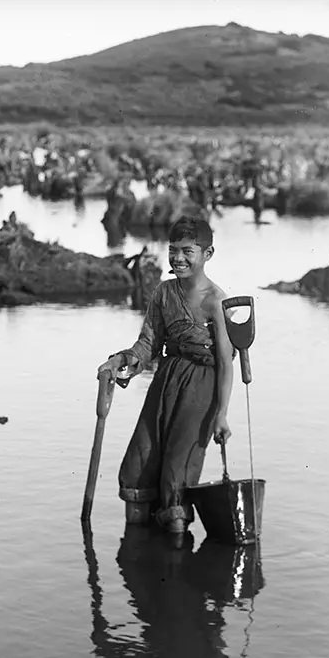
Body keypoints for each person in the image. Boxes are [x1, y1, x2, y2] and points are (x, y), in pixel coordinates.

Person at [97, 217, 234, 535]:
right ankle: (137, 558)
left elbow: (226, 363)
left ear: (208, 254)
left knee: (177, 475)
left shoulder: (216, 301)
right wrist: (120, 360)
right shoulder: (163, 293)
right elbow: (147, 345)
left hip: (202, 389)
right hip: (165, 383)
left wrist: (222, 415)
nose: (178, 258)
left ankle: (174, 564)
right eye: (173, 250)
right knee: (139, 462)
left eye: (188, 251)